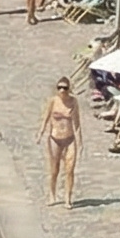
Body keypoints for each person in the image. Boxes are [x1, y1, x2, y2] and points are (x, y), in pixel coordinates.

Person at [37, 77, 82, 205]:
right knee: (54, 170)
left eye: (65, 88)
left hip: (69, 138)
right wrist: (40, 133)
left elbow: (77, 122)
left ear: (69, 89)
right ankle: (52, 195)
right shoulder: (53, 101)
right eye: (59, 88)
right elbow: (45, 118)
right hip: (55, 138)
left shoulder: (73, 102)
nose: (62, 90)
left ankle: (68, 198)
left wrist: (80, 140)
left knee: (69, 170)